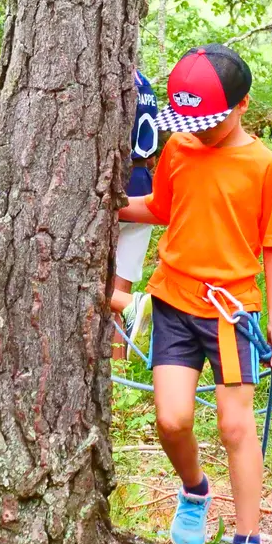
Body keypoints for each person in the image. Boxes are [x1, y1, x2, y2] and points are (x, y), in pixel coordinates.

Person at [118, 44, 272, 544]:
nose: (197, 131)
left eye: (208, 121)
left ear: (241, 107)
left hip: (232, 312)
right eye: (188, 121)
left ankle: (248, 542)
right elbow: (164, 208)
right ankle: (195, 490)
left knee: (235, 427)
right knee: (171, 419)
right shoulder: (178, 149)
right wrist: (110, 204)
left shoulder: (262, 164)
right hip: (173, 301)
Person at [109, 69, 161, 352]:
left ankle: (134, 306)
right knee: (120, 290)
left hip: (115, 188)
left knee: (90, 281)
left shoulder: (107, 73)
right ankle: (118, 375)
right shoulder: (145, 83)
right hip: (144, 189)